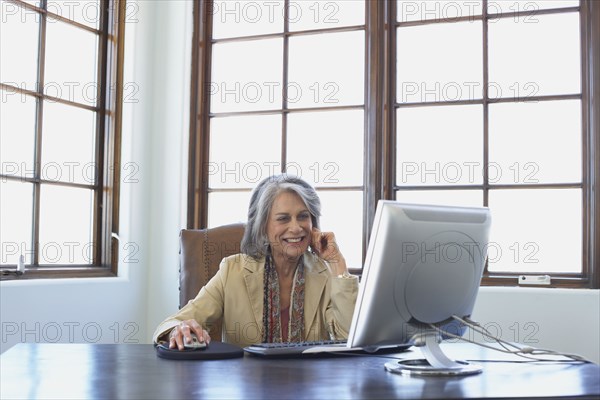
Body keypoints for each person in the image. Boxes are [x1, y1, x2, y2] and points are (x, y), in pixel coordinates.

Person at [153, 174, 358, 350]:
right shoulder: (232, 271)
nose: (296, 228)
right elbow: (175, 322)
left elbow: (351, 338)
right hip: (247, 386)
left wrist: (336, 262)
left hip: (310, 387)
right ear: (262, 226)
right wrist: (178, 331)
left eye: (303, 216)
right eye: (283, 219)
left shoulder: (326, 273)